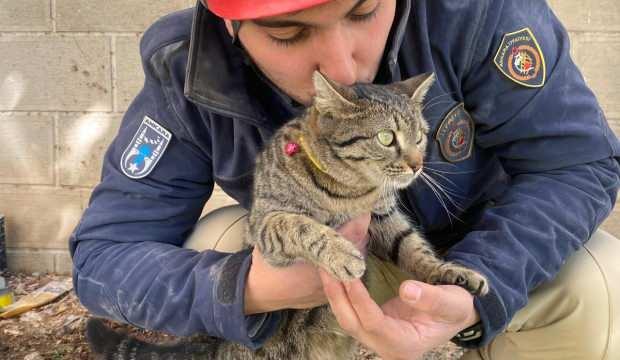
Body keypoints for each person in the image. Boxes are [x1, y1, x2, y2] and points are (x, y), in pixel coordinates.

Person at [69, 0, 620, 359]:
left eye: (364, 9)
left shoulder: (477, 13)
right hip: (315, 255)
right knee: (219, 240)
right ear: (229, 24)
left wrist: (480, 278)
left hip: (473, 244)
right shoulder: (185, 63)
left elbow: (578, 163)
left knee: (595, 285)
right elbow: (105, 256)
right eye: (287, 32)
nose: (340, 67)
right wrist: (251, 288)